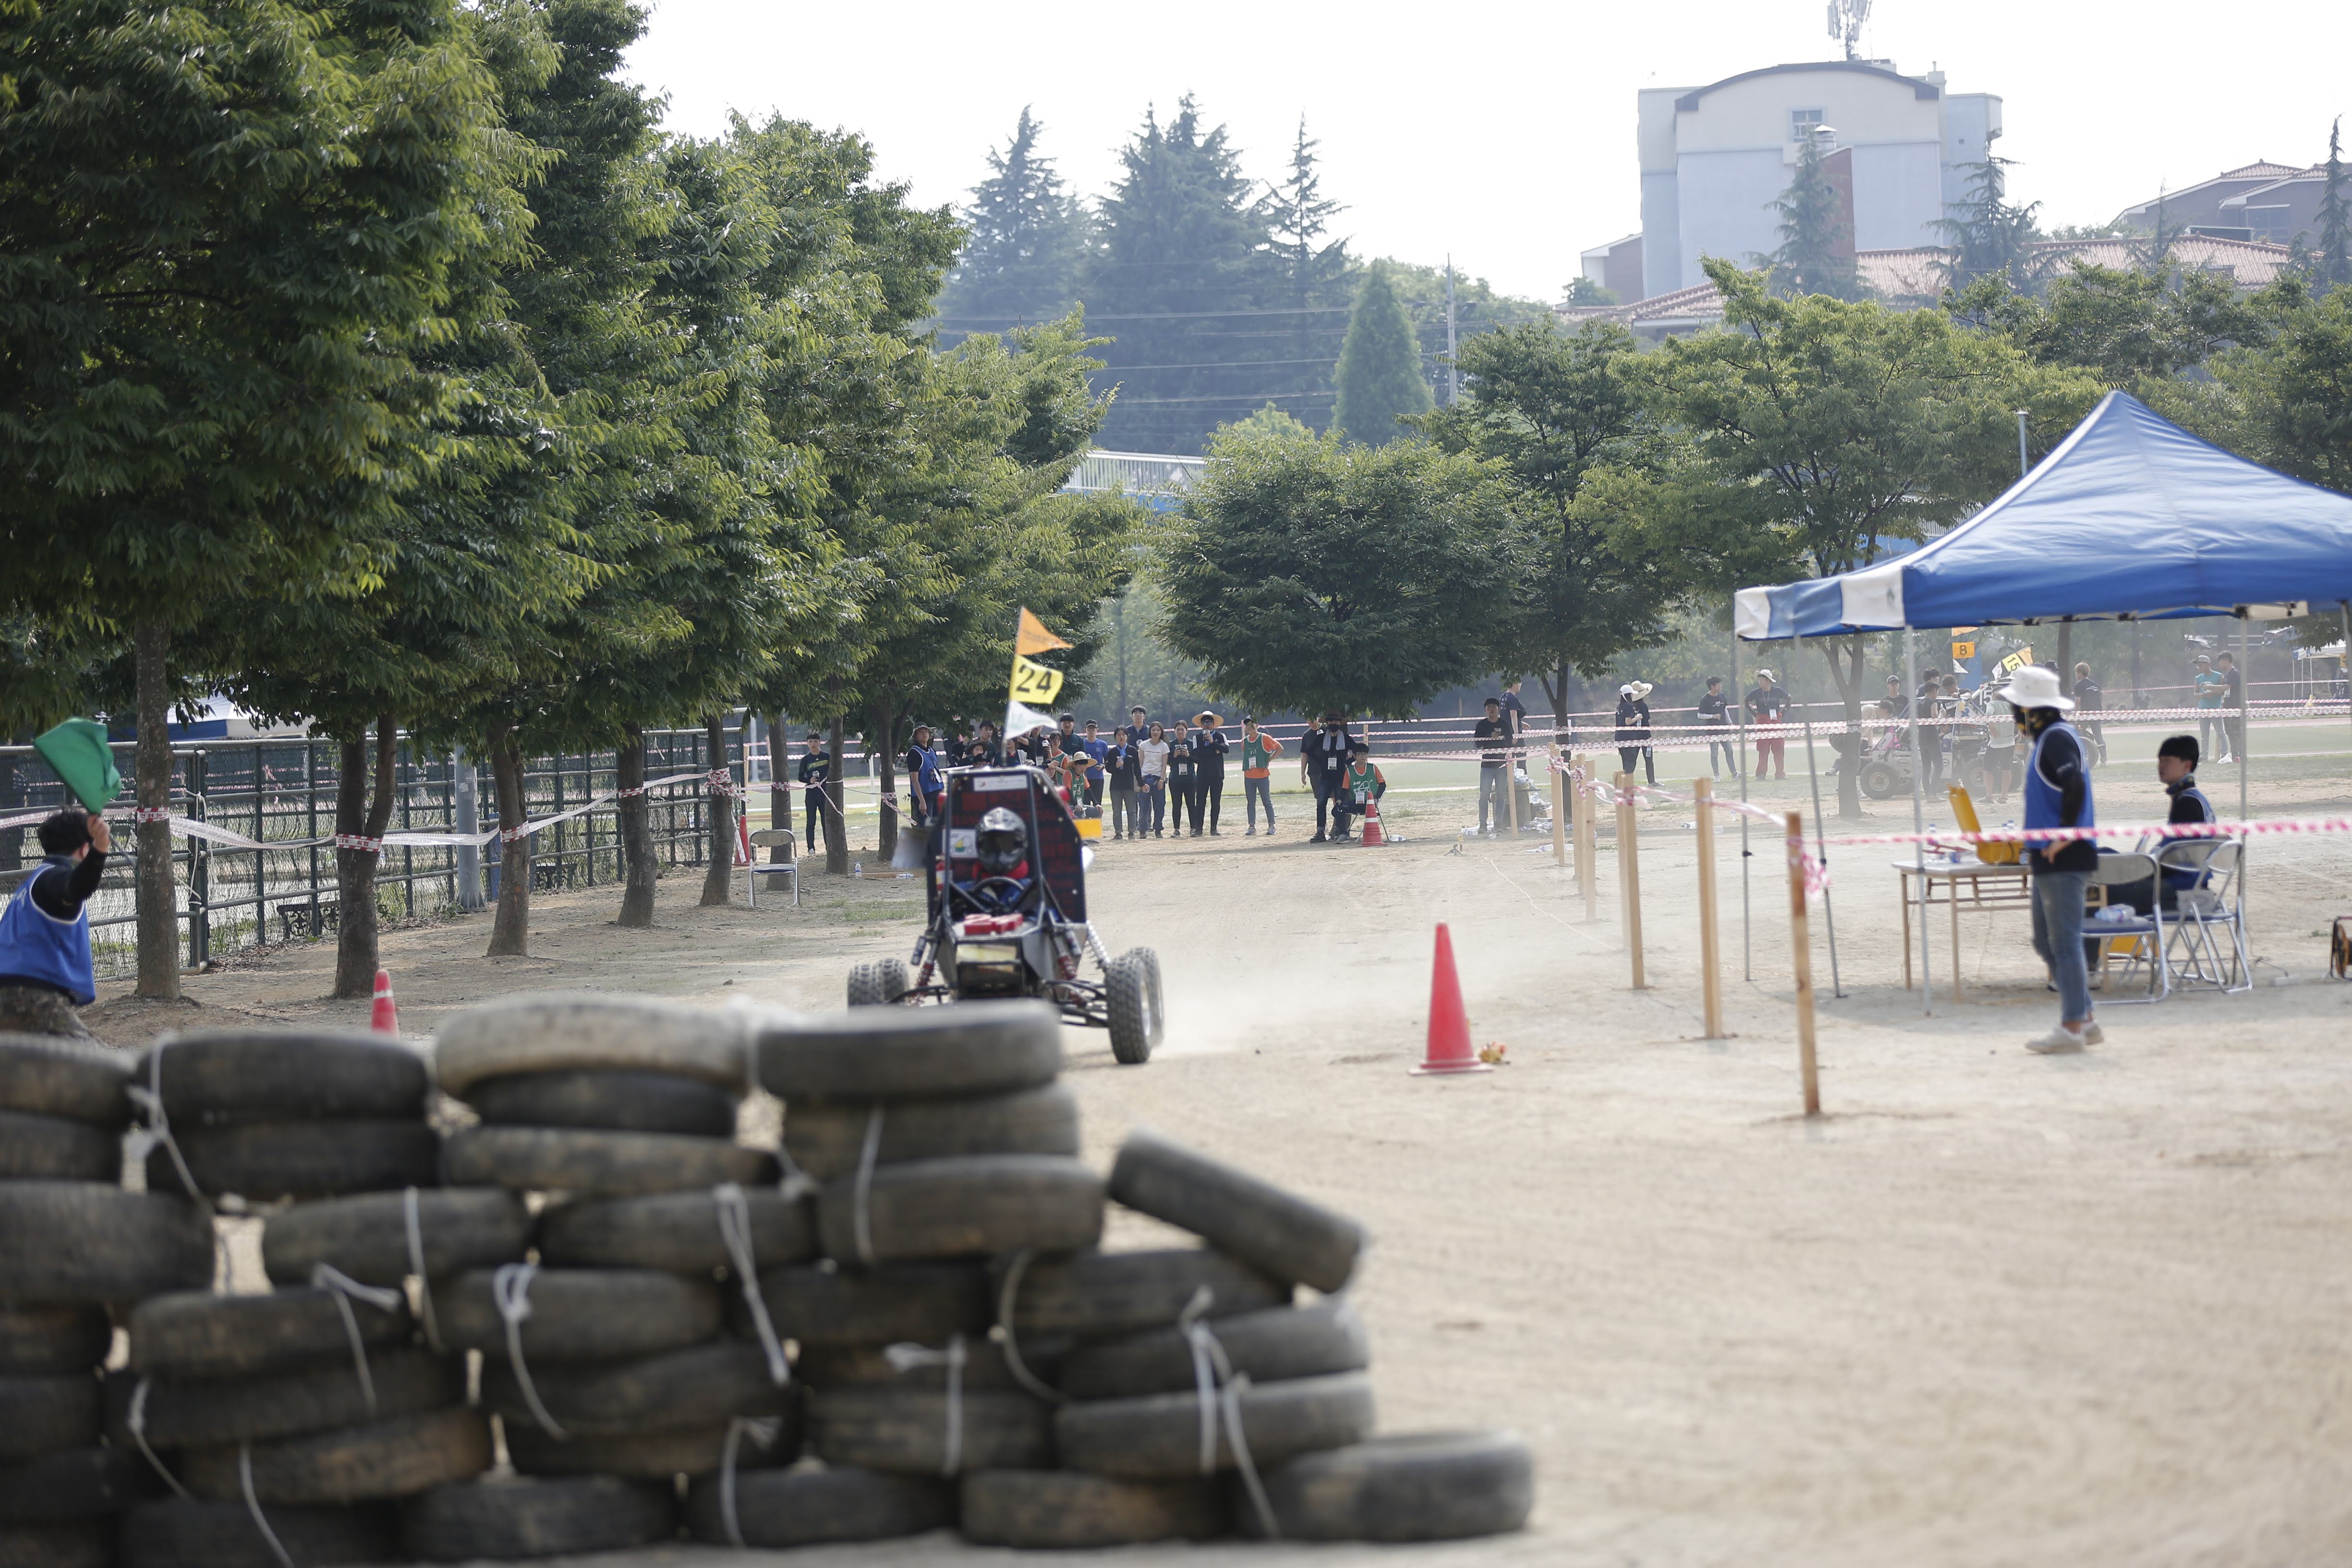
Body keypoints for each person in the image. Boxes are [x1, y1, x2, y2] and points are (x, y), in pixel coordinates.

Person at [2004, 665, 2102, 1055]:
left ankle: (2072, 1026)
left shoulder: (2057, 739)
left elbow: (2073, 783)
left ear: (2032, 709)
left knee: (2063, 942)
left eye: (2016, 708)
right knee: (2045, 940)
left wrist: (2062, 834)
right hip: (2049, 856)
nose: (2014, 716)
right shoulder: (2048, 738)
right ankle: (2086, 1017)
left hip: (2065, 855)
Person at [0, 809, 110, 1036]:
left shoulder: (31, 885)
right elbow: (78, 887)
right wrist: (100, 851)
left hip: (10, 992)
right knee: (100, 1068)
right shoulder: (53, 880)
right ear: (84, 849)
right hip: (32, 996)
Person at [2097, 734, 2217, 916]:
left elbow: (2175, 863)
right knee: (2103, 855)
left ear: (2187, 765)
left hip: (2182, 892)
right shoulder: (2192, 799)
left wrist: (2139, 868)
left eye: (2168, 761)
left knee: (2099, 888)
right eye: (2160, 761)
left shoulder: (2188, 804)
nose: (2161, 766)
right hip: (2181, 884)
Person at [1301, 713, 1353, 843]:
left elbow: (1359, 750)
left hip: (1340, 775)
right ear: (1327, 723)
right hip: (1325, 776)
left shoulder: (1346, 738)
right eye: (1331, 721)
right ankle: (1320, 832)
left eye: (1336, 721)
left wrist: (1346, 762)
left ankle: (1342, 832)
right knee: (1321, 803)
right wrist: (1322, 762)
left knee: (1340, 802)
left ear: (1340, 723)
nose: (1333, 724)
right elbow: (1310, 751)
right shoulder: (1322, 737)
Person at [1239, 715, 1283, 836]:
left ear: (1257, 726)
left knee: (1266, 801)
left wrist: (1269, 760)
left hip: (1262, 776)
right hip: (1249, 776)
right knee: (1250, 802)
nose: (1249, 728)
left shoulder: (1264, 738)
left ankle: (1272, 825)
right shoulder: (1244, 742)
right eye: (1247, 726)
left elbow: (1279, 748)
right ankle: (1252, 826)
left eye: (1251, 725)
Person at [1473, 698, 1511, 835]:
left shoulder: (1504, 724)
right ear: (1485, 710)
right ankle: (1483, 824)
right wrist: (1489, 737)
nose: (1491, 709)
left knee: (1501, 795)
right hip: (1487, 765)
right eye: (1489, 707)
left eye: (1494, 707)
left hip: (1502, 765)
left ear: (1499, 709)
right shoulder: (1481, 725)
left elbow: (1511, 742)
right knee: (1484, 795)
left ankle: (1499, 823)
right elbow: (1477, 743)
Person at [1188, 713, 1229, 836]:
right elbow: (1198, 754)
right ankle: (1198, 828)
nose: (1207, 725)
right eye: (1204, 723)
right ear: (1201, 725)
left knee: (1216, 801)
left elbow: (1226, 750)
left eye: (1209, 723)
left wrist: (1213, 743)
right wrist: (1216, 751)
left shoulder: (1221, 736)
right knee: (1200, 801)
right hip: (1202, 774)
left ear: (1214, 724)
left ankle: (1214, 828)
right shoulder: (1197, 738)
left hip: (1217, 773)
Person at [1748, 669, 1788, 779]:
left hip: (1776, 721)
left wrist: (1783, 712)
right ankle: (1761, 774)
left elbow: (1789, 698)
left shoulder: (1778, 691)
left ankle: (1780, 773)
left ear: (1769, 681)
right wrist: (1755, 714)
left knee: (1779, 747)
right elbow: (1745, 701)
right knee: (1763, 748)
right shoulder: (1756, 693)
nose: (1760, 682)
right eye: (1759, 680)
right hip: (1762, 721)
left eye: (1762, 680)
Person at [1613, 682, 1655, 787]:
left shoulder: (1619, 707)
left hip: (1619, 737)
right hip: (1628, 737)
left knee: (1627, 761)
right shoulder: (1629, 706)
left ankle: (1623, 782)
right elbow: (1628, 722)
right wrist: (1637, 718)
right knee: (1632, 762)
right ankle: (1626, 783)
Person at [1340, 742, 1386, 838]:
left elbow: (1383, 785)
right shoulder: (1350, 770)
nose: (1363, 757)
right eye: (1360, 754)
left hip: (1369, 803)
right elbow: (1344, 788)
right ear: (1354, 756)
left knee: (1367, 808)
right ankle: (1343, 833)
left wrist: (1376, 798)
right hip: (1355, 802)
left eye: (1365, 754)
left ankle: (1368, 834)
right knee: (1338, 809)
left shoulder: (1373, 768)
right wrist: (1340, 800)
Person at [1696, 676, 1739, 778]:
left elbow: (1725, 710)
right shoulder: (1705, 700)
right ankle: (1717, 776)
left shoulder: (1722, 696)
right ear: (1712, 686)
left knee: (1729, 751)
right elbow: (1700, 715)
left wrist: (1730, 723)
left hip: (1724, 730)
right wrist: (1712, 716)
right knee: (1714, 754)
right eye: (1719, 685)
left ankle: (1735, 774)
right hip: (1713, 732)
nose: (1721, 686)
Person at [795, 733, 831, 853]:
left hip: (825, 793)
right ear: (807, 743)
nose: (813, 744)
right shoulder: (806, 760)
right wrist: (809, 780)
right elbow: (800, 777)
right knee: (811, 822)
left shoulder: (827, 757)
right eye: (810, 742)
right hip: (811, 794)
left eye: (815, 741)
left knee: (826, 822)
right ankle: (811, 848)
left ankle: (829, 847)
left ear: (820, 742)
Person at [1103, 731, 1140, 840]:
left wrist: (1141, 783)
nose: (1121, 737)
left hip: (1129, 784)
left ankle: (1132, 832)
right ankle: (1118, 832)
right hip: (1116, 785)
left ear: (1127, 737)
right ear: (1115, 738)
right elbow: (1108, 768)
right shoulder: (1113, 752)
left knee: (1132, 810)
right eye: (1119, 735)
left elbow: (1137, 768)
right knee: (1117, 810)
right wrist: (1115, 766)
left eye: (1123, 735)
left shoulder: (1132, 750)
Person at [1136, 722, 1170, 838]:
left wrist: (1162, 780)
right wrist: (1140, 782)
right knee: (1144, 806)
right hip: (1145, 779)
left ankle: (1158, 829)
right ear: (1150, 731)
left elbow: (1164, 765)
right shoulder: (1144, 745)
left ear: (1161, 732)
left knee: (1159, 806)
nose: (1156, 732)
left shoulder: (1164, 746)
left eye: (1158, 730)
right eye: (1154, 730)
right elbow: (1139, 764)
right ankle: (1142, 830)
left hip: (1158, 780)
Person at [1165, 717, 1196, 835]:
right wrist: (1174, 755)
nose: (1180, 732)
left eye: (1182, 730)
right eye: (1178, 730)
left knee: (1191, 804)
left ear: (1186, 731)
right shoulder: (1171, 745)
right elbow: (1167, 761)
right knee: (1176, 804)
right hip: (1175, 779)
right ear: (1175, 731)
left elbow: (1198, 760)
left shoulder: (1191, 744)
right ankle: (1177, 829)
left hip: (1190, 779)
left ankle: (1193, 828)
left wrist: (1189, 755)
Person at [2192, 654, 2225, 761]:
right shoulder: (2198, 678)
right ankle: (2204, 756)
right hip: (2203, 709)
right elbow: (2195, 693)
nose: (2200, 668)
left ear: (2208, 664)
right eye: (2198, 666)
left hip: (2215, 709)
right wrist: (2201, 695)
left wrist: (2214, 693)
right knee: (2204, 735)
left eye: (2201, 665)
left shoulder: (2219, 676)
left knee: (2221, 733)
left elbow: (2223, 691)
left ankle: (2224, 754)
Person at [2073, 662, 2106, 765]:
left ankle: (2083, 754)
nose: (2076, 675)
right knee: (2099, 736)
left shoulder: (2079, 686)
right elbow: (2100, 699)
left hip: (2085, 716)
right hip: (2096, 714)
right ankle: (2104, 760)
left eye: (2076, 673)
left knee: (2077, 732)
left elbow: (2077, 702)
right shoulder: (2096, 685)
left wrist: (2074, 714)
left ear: (2080, 673)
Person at [2216, 651, 2243, 764]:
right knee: (2230, 732)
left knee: (2235, 732)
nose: (2219, 665)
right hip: (2228, 708)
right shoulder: (2228, 675)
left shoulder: (2234, 674)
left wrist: (2211, 687)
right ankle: (2235, 755)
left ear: (2226, 661)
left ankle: (2238, 755)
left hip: (2234, 708)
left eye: (2221, 662)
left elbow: (2227, 687)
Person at [1079, 721, 1108, 809]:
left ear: (1097, 730)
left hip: (1098, 778)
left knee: (1098, 803)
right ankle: (1087, 822)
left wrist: (1103, 766)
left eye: (1093, 729)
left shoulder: (1102, 744)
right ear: (1085, 730)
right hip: (1085, 778)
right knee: (1086, 804)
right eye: (1089, 729)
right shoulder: (1082, 744)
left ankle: (1097, 822)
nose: (1091, 731)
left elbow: (1108, 760)